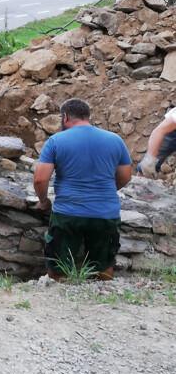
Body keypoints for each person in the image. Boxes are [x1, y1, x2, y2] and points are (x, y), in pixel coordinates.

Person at [33, 98, 133, 281]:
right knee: (103, 267)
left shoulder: (56, 141)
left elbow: (40, 179)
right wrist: (107, 191)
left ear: (65, 117)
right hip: (105, 213)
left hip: (68, 214)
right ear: (87, 116)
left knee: (58, 269)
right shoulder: (115, 140)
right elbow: (126, 176)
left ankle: (59, 301)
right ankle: (103, 296)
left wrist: (43, 201)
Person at [137, 107, 176, 177]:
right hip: (172, 132)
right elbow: (159, 131)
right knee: (148, 167)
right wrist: (150, 159)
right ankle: (139, 182)